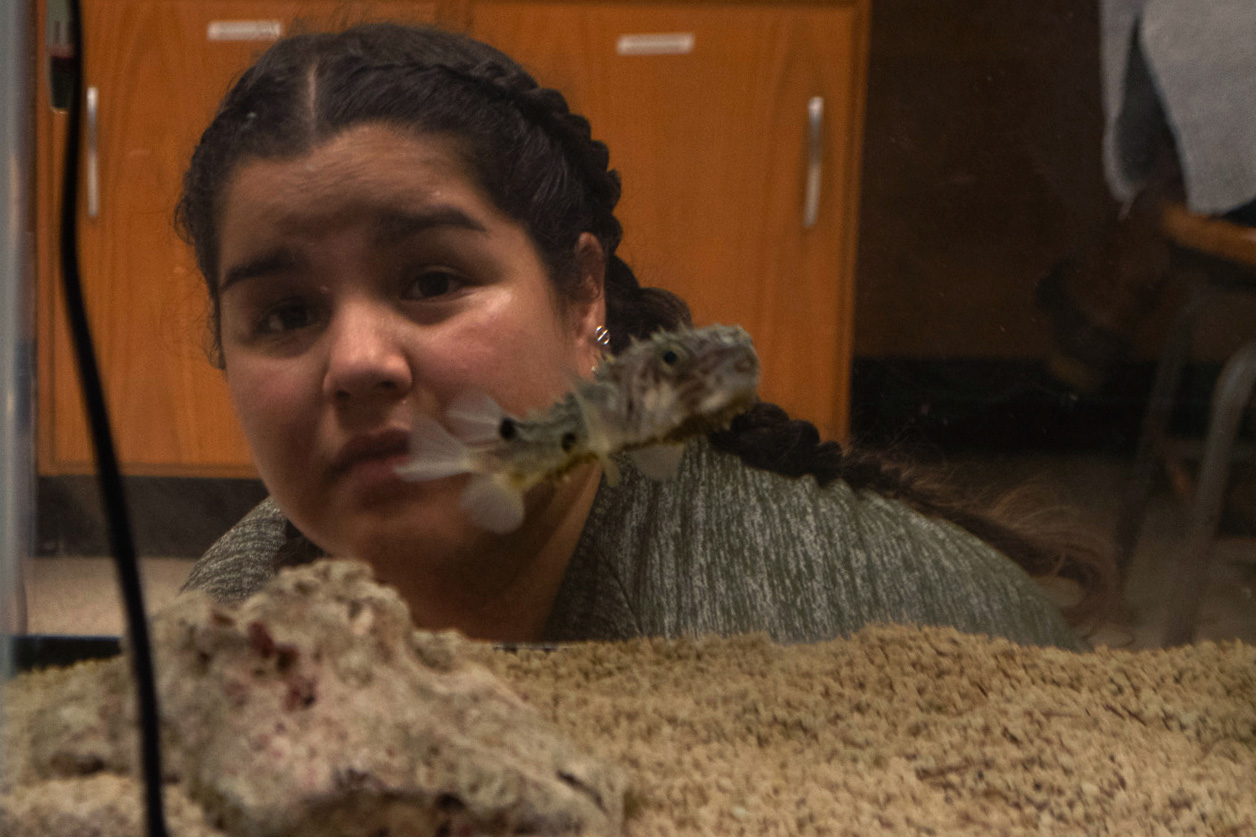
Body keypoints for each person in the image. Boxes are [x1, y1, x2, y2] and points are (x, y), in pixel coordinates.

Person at [179, 22, 1113, 650]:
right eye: (288, 315)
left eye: (432, 282)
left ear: (582, 293)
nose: (358, 364)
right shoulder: (227, 615)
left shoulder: (886, 621)